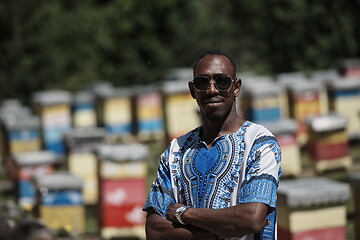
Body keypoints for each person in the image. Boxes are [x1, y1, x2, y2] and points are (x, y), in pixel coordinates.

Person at [143, 50, 282, 240]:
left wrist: (183, 213)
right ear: (193, 90)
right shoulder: (175, 150)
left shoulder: (259, 143)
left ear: (236, 87)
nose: (211, 90)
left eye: (221, 81)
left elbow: (251, 218)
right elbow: (154, 230)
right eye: (202, 82)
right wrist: (223, 228)